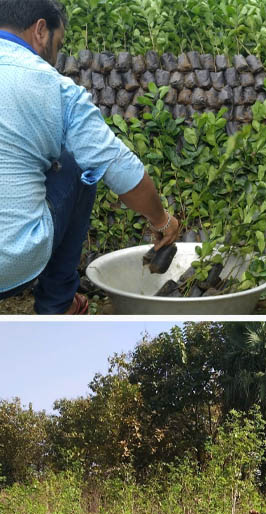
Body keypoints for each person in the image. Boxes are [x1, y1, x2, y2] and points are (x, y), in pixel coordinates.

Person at [0, 0, 180, 314]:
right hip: (11, 264)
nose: (55, 57)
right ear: (41, 31)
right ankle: (58, 304)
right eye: (58, 45)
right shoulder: (54, 88)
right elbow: (125, 174)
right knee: (82, 164)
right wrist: (162, 222)